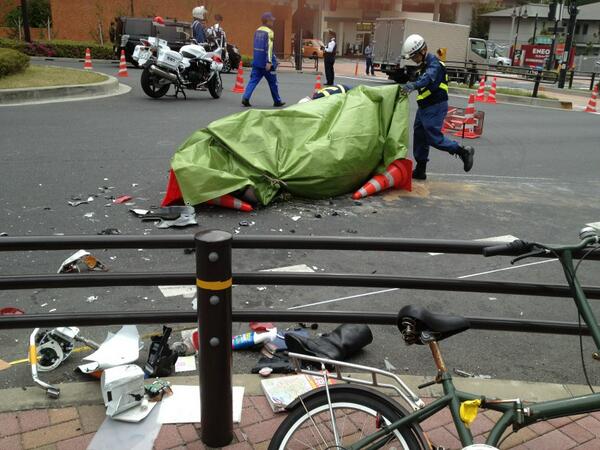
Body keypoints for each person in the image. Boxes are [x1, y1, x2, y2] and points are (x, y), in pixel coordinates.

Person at [400, 34, 474, 180]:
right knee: (419, 137)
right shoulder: (423, 66)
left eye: (414, 56)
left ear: (423, 50)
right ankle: (421, 169)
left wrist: (413, 85)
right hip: (424, 108)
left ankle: (463, 151)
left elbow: (428, 78)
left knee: (434, 138)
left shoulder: (435, 64)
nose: (413, 60)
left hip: (435, 106)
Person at [241, 12, 285, 108]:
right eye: (271, 20)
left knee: (253, 81)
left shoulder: (257, 31)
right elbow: (269, 48)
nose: (273, 21)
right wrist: (269, 61)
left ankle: (245, 98)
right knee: (273, 82)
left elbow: (256, 46)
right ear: (268, 21)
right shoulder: (270, 32)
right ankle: (277, 101)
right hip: (266, 63)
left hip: (257, 61)